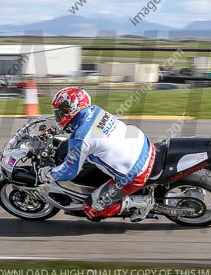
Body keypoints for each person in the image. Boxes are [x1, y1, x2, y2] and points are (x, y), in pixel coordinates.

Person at [37, 87, 156, 221]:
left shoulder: (80, 138)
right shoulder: (95, 110)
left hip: (136, 171)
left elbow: (69, 172)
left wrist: (47, 173)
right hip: (143, 144)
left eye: (60, 112)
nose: (59, 116)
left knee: (91, 209)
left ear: (72, 109)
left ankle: (140, 203)